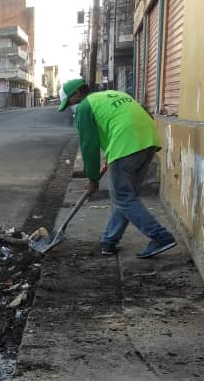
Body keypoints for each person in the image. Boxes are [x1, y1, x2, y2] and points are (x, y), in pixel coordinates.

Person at [59, 78, 177, 258]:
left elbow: (89, 145)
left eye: (69, 103)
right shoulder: (114, 95)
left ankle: (161, 236)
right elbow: (133, 118)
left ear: (77, 94)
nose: (70, 107)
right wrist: (110, 154)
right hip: (149, 142)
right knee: (125, 198)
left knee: (123, 198)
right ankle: (109, 241)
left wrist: (92, 178)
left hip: (126, 145)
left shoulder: (85, 107)